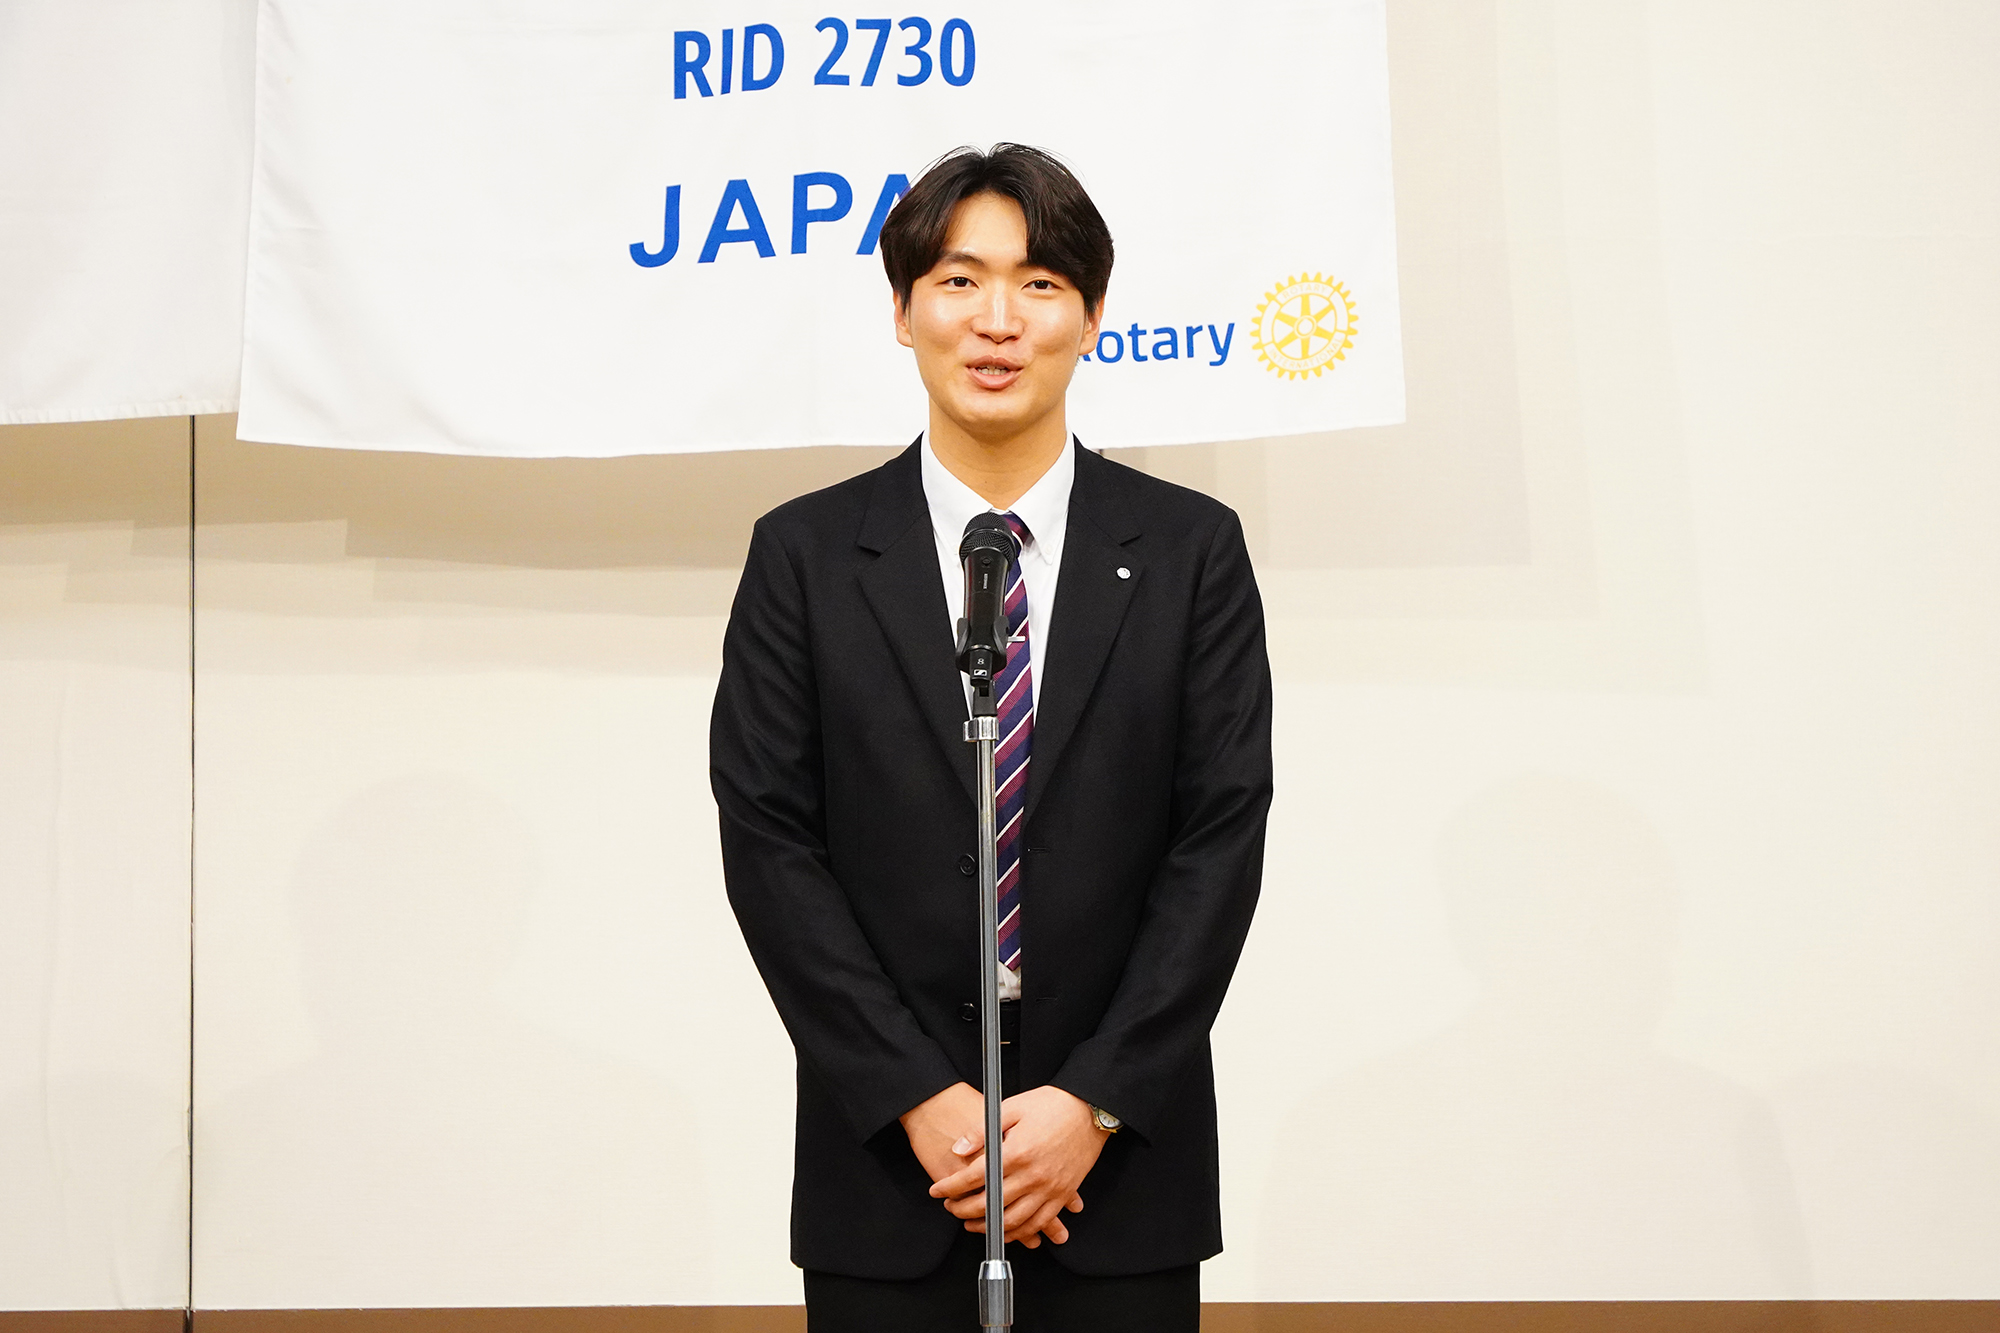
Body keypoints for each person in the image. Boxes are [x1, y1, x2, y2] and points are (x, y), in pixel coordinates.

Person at [710, 143, 1273, 1331]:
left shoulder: (1189, 551)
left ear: (1092, 317)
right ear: (902, 311)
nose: (997, 321)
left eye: (1040, 284)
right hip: (890, 1164)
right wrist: (915, 1095)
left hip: (1118, 1166)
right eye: (959, 281)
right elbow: (768, 840)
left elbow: (1218, 838)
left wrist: (1093, 1101)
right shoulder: (805, 556)